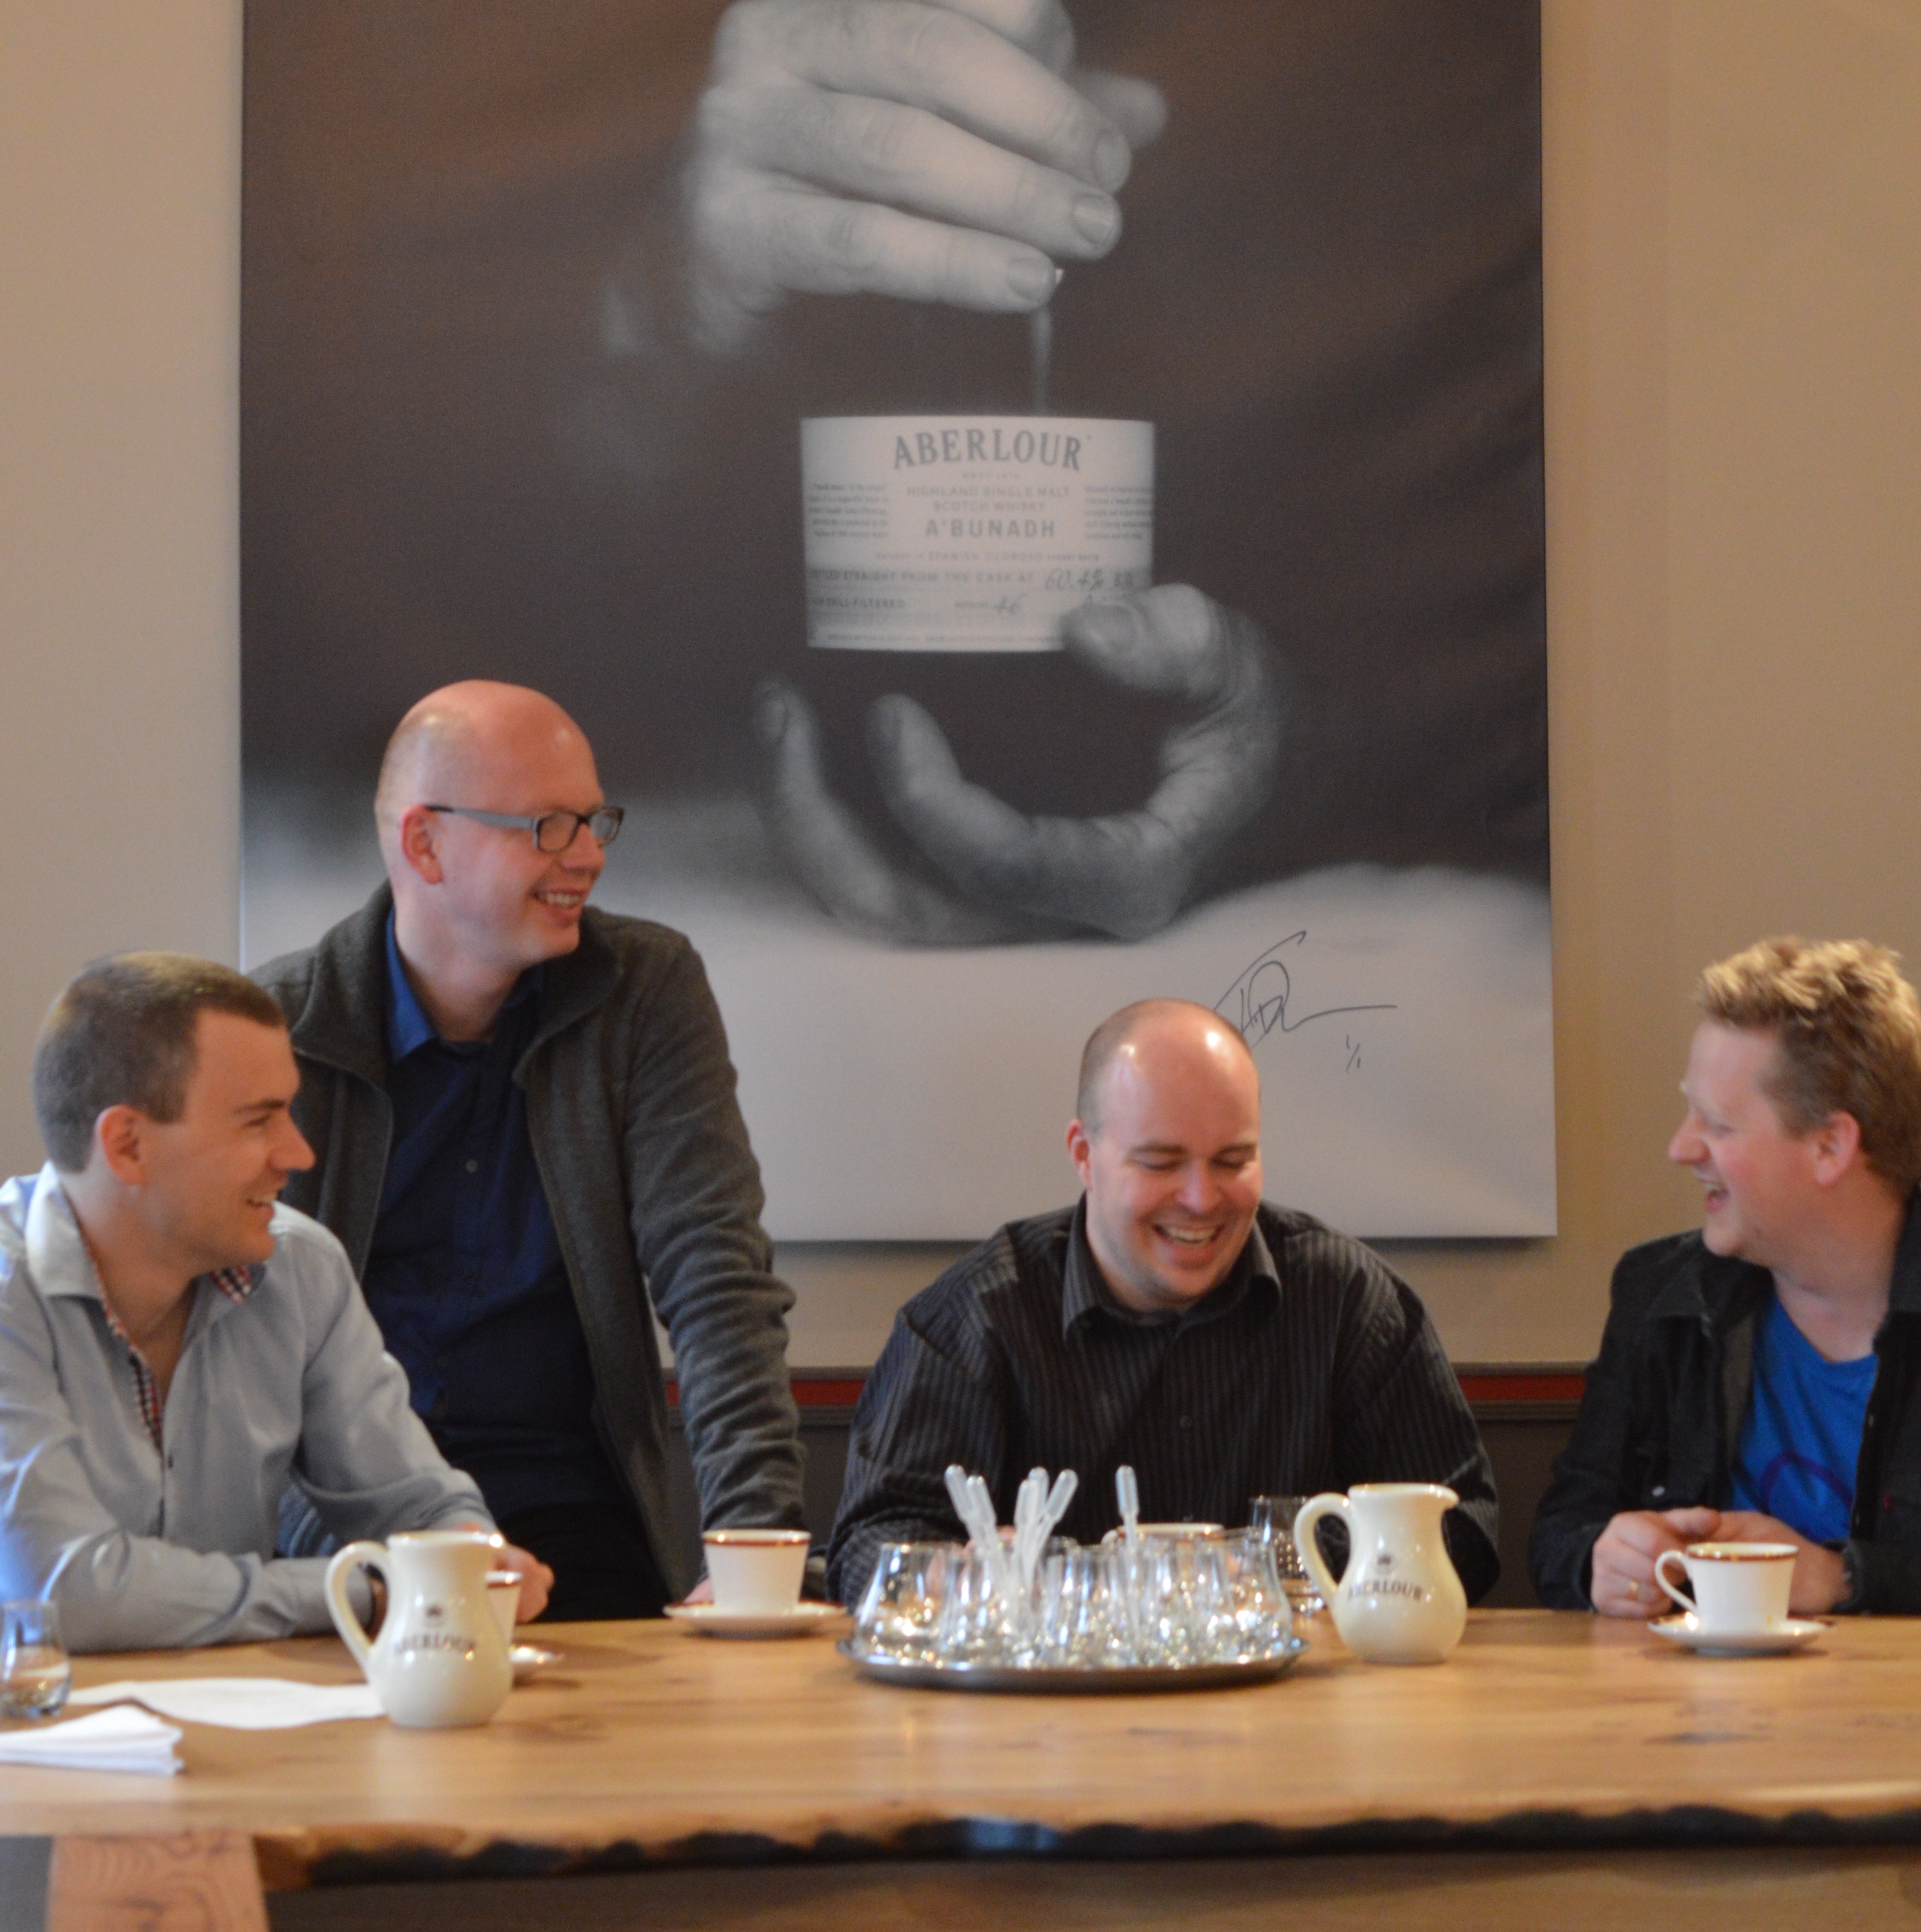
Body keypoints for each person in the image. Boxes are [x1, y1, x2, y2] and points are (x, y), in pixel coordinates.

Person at [255, 679, 805, 1620]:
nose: (588, 856)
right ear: (424, 843)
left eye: (594, 821)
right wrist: (375, 1570)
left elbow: (715, 1276)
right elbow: (250, 1360)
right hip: (347, 1534)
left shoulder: (645, 990)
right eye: (548, 826)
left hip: (573, 1512)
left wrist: (754, 1547)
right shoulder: (279, 1025)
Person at [825, 996, 1499, 1607]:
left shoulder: (1347, 1301)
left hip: (1298, 1697)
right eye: (1160, 1163)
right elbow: (865, 1551)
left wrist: (1262, 1567)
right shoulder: (974, 1320)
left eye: (1233, 1161)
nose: (1201, 1200)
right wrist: (953, 1575)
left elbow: (1467, 1529)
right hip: (1045, 1701)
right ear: (1084, 1155)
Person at [0, 954, 548, 1650]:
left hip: (244, 1710)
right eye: (259, 1122)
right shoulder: (10, 1292)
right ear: (128, 1146)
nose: (298, 1154)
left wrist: (469, 1551)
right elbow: (62, 1595)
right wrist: (364, 1591)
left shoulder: (301, 1269)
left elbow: (411, 1502)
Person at [1530, 937, 1921, 1618]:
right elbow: (1562, 1531)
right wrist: (1601, 1559)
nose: (1680, 1149)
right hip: (1683, 1689)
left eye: (1717, 1124)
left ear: (1830, 1145)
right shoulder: (1660, 1296)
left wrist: (1842, 1579)